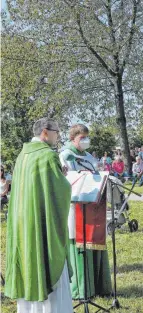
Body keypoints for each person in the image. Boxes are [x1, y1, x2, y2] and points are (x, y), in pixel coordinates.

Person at [6, 118, 73, 312]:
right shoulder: (47, 156)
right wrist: (64, 178)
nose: (58, 135)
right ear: (45, 132)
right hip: (40, 221)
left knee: (28, 259)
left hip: (22, 221)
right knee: (45, 258)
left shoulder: (22, 155)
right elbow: (59, 192)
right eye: (56, 131)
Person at [59, 124, 112, 299]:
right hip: (76, 207)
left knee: (95, 240)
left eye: (87, 137)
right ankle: (81, 288)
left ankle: (98, 285)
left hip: (94, 207)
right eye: (82, 138)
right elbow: (67, 179)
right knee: (79, 240)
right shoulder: (65, 155)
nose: (85, 140)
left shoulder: (88, 156)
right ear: (73, 138)